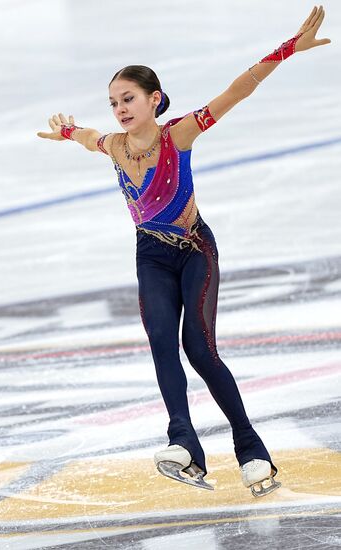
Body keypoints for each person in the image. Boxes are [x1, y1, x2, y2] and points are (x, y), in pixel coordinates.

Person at [37, 6, 330, 497]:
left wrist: (286, 50)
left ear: (153, 99)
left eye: (128, 99)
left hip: (195, 250)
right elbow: (88, 137)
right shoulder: (114, 145)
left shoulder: (180, 134)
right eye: (113, 103)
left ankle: (251, 448)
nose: (120, 109)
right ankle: (184, 443)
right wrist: (67, 131)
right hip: (150, 253)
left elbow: (238, 91)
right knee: (159, 339)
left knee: (199, 348)